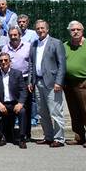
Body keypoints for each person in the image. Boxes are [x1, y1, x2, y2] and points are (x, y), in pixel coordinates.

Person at [63, 21, 86, 147]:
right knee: (74, 111)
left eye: (78, 29)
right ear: (69, 32)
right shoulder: (65, 45)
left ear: (82, 31)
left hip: (85, 83)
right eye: (73, 30)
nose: (76, 32)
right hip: (69, 83)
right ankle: (79, 137)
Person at [29, 19, 66, 148]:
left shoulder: (56, 43)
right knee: (42, 112)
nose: (40, 30)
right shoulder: (34, 44)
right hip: (38, 82)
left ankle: (59, 138)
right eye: (38, 28)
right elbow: (31, 64)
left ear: (47, 29)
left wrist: (59, 82)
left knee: (55, 112)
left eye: (42, 28)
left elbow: (62, 65)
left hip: (52, 83)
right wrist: (30, 81)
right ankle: (48, 136)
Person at [0, 53, 28, 148]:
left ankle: (22, 138)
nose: (3, 62)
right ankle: (1, 136)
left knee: (22, 111)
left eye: (6, 60)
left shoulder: (17, 73)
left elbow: (23, 90)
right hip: (1, 103)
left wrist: (20, 103)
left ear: (10, 62)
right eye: (1, 60)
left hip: (14, 103)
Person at [2, 25, 33, 141]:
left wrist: (30, 81)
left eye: (15, 35)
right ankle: (10, 133)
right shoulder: (5, 48)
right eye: (11, 35)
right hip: (10, 80)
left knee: (26, 107)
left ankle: (26, 134)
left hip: (25, 79)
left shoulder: (28, 47)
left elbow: (31, 65)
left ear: (20, 35)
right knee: (11, 105)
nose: (13, 37)